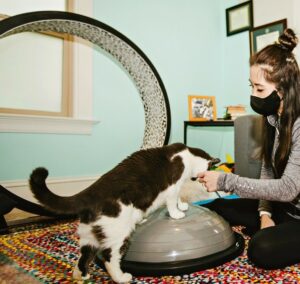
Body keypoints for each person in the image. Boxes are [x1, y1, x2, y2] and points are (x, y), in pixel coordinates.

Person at [198, 28, 300, 270]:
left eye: (260, 88)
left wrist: (226, 180)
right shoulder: (272, 118)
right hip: (286, 209)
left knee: (261, 248)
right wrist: (266, 214)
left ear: (283, 89)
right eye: (251, 86)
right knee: (217, 207)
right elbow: (267, 171)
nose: (253, 95)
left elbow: (287, 189)